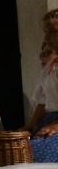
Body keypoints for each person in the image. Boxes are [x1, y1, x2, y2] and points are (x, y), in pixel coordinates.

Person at [23, 28, 58, 162]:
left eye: (52, 32)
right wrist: (30, 125)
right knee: (22, 146)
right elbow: (43, 102)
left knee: (36, 151)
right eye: (45, 32)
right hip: (51, 118)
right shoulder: (49, 69)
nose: (47, 37)